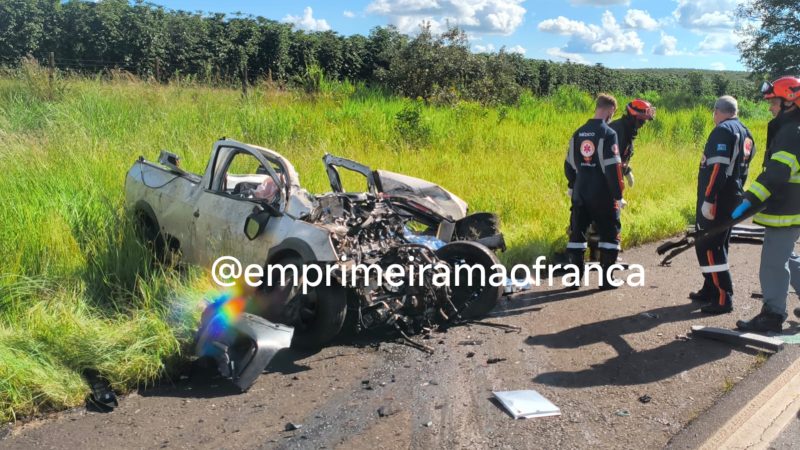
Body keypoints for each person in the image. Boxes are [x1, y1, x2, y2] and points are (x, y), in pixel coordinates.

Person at [733, 76, 800, 332]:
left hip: (787, 210)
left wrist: (748, 200)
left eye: (774, 102)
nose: (770, 107)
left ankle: (772, 315)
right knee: (787, 256)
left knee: (773, 262)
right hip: (791, 208)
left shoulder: (792, 133)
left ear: (790, 102)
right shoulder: (792, 128)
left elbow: (776, 174)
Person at [690, 96, 756, 314]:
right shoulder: (746, 133)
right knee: (715, 244)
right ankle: (710, 288)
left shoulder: (723, 130)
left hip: (717, 199)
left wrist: (709, 198)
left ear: (717, 111)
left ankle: (722, 297)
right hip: (731, 198)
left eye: (713, 112)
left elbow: (718, 168)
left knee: (711, 246)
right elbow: (742, 169)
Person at [564, 93, 624, 289]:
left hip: (581, 191)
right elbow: (613, 167)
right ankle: (606, 280)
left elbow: (569, 165)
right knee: (609, 234)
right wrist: (618, 194)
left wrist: (573, 185)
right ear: (609, 110)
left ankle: (574, 280)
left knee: (577, 234)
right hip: (602, 194)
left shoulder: (578, 132)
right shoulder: (608, 133)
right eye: (613, 113)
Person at [609, 99, 656, 189]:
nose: (643, 124)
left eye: (645, 121)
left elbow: (622, 157)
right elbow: (609, 159)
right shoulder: (617, 130)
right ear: (633, 117)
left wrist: (627, 171)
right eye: (642, 120)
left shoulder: (628, 130)